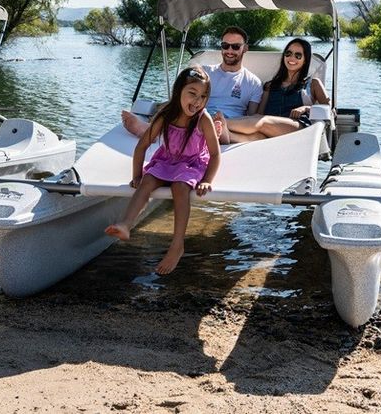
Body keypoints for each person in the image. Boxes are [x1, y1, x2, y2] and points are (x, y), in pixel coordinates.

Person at [105, 66, 221, 274]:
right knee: (148, 181)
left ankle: (177, 245)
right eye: (192, 94)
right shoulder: (165, 115)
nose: (197, 101)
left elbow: (214, 154)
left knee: (179, 186)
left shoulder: (203, 119)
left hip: (192, 163)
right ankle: (126, 224)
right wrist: (137, 176)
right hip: (167, 160)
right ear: (179, 93)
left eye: (203, 96)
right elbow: (142, 146)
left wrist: (207, 180)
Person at [122, 26, 262, 142]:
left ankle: (154, 131)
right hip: (198, 115)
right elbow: (183, 97)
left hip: (229, 124)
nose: (229, 51)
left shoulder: (254, 82)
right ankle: (153, 127)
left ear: (245, 48)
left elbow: (250, 118)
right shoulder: (205, 72)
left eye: (236, 46)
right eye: (225, 45)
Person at [213, 38, 329, 143]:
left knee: (262, 121)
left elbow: (329, 110)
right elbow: (259, 113)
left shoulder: (313, 84)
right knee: (257, 133)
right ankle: (227, 135)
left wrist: (306, 108)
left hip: (298, 128)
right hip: (270, 129)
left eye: (298, 55)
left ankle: (212, 126)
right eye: (288, 53)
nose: (291, 58)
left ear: (305, 60)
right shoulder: (270, 85)